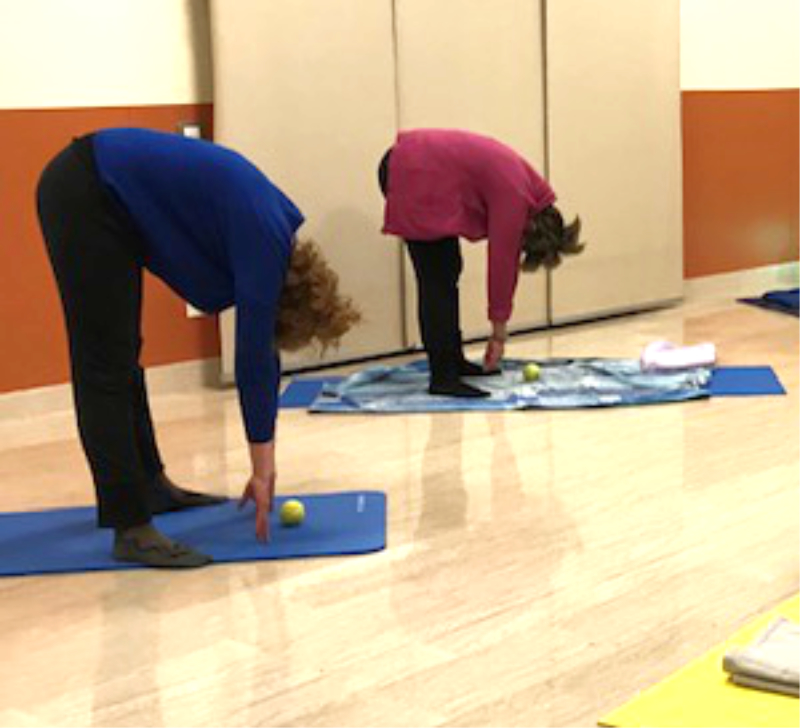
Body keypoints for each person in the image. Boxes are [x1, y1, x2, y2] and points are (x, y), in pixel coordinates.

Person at [36, 128, 359, 568]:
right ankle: (130, 527)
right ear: (289, 309)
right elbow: (254, 355)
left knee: (122, 352)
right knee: (104, 363)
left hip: (104, 191)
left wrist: (263, 459)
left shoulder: (273, 230)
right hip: (85, 189)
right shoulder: (265, 241)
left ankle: (150, 487)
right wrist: (263, 468)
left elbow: (260, 349)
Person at [379, 129, 585, 397]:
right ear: (532, 229)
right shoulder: (516, 198)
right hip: (411, 171)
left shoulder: (529, 189)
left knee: (447, 268)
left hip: (420, 167)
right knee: (436, 278)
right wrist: (499, 334)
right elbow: (502, 264)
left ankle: (453, 361)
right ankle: (443, 377)